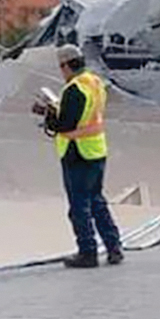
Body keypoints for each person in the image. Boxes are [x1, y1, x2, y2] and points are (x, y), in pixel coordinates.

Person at [33, 44, 123, 268]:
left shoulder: (74, 89)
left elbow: (65, 124)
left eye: (60, 67)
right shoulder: (94, 82)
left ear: (66, 65)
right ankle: (114, 247)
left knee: (79, 205)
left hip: (77, 151)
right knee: (97, 201)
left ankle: (87, 252)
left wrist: (48, 113)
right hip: (96, 150)